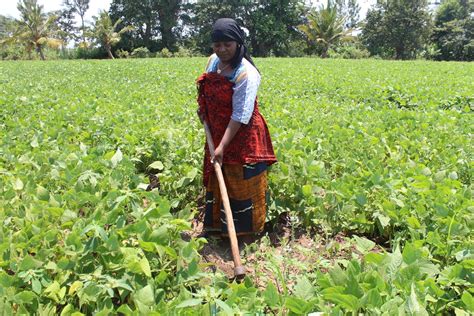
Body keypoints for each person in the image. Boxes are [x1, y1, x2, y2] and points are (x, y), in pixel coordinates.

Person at [196, 18, 277, 240]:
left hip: (242, 134)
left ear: (238, 43)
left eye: (227, 45)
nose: (221, 50)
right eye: (217, 44)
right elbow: (206, 88)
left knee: (241, 181)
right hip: (216, 130)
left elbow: (240, 115)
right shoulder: (213, 61)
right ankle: (216, 227)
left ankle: (246, 234)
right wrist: (202, 108)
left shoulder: (246, 74)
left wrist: (221, 146)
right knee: (218, 176)